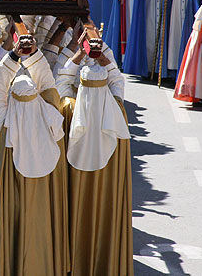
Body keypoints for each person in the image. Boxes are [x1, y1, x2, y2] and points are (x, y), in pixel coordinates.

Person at [0, 37, 68, 276]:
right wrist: (33, 56)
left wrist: (13, 56)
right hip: (43, 199)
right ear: (36, 96)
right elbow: (47, 80)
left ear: (12, 96)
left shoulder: (2, 122)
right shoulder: (51, 116)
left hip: (7, 196)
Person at [61, 44, 132, 276]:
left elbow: (61, 80)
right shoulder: (117, 113)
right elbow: (118, 81)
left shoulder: (70, 111)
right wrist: (102, 58)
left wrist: (79, 55)